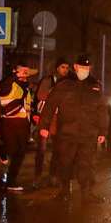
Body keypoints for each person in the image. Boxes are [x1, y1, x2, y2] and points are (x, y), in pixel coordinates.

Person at [39, 54, 108, 203]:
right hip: (67, 132)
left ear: (90, 69)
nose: (84, 70)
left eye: (86, 68)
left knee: (87, 164)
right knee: (65, 163)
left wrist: (103, 131)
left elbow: (102, 110)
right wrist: (44, 126)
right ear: (75, 67)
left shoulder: (95, 86)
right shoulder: (64, 84)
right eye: (81, 67)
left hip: (88, 133)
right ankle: (64, 191)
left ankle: (87, 193)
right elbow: (50, 105)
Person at [32, 58, 70, 187]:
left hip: (59, 119)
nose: (65, 70)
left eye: (67, 67)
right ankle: (37, 177)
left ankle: (53, 176)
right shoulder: (49, 80)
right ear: (57, 68)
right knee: (41, 150)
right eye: (63, 67)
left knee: (57, 150)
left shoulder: (67, 82)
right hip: (46, 118)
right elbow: (40, 95)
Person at [0, 61, 34, 191]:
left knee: (21, 152)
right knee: (12, 149)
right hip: (10, 122)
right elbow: (3, 84)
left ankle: (11, 181)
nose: (25, 74)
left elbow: (28, 105)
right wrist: (15, 75)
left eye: (27, 71)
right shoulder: (9, 83)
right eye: (22, 71)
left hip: (23, 123)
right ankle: (2, 151)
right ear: (15, 71)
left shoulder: (25, 86)